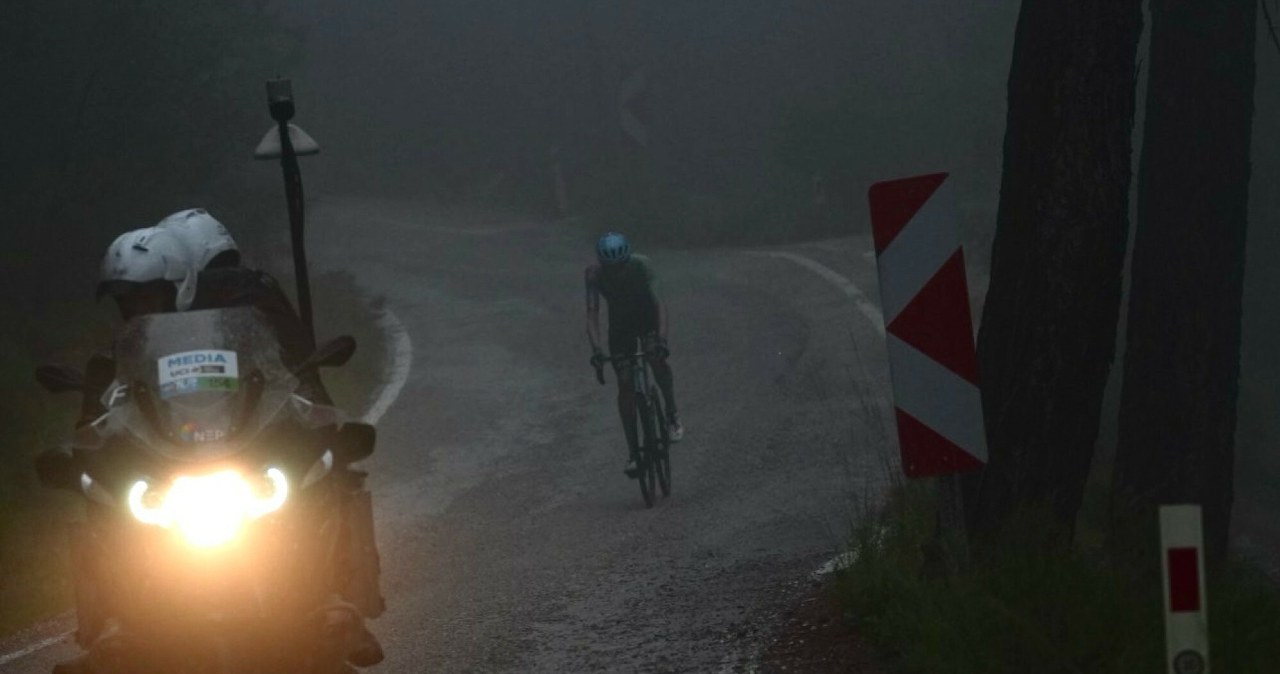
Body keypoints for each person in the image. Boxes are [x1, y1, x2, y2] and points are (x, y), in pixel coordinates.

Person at [585, 232, 683, 478]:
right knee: (625, 384)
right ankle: (633, 452)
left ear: (628, 260)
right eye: (611, 269)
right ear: (602, 265)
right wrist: (596, 350)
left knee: (656, 360)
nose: (617, 272)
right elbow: (592, 314)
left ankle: (672, 414)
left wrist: (662, 339)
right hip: (621, 327)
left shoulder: (642, 265)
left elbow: (659, 303)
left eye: (621, 266)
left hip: (647, 317)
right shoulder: (594, 274)